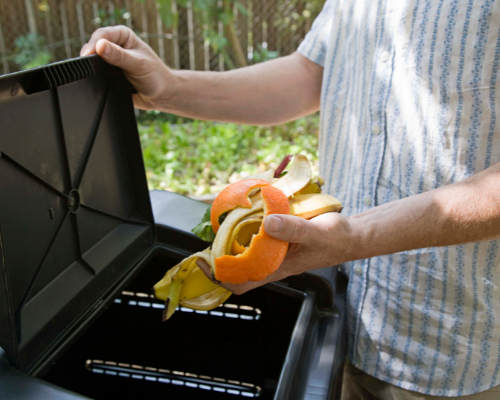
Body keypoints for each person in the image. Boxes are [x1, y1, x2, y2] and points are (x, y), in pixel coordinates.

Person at [81, 1, 500, 398]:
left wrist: (358, 236)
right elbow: (308, 73)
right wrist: (168, 88)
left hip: (451, 349)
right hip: (339, 320)